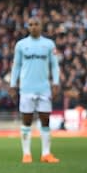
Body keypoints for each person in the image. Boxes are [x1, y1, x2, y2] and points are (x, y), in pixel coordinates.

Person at [9, 17, 60, 164]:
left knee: (45, 120)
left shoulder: (49, 44)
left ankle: (46, 154)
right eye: (30, 25)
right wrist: (13, 85)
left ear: (41, 26)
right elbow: (16, 66)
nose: (33, 27)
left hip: (44, 88)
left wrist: (55, 84)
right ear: (27, 27)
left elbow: (54, 65)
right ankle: (26, 154)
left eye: (36, 24)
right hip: (26, 89)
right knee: (26, 121)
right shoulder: (21, 45)